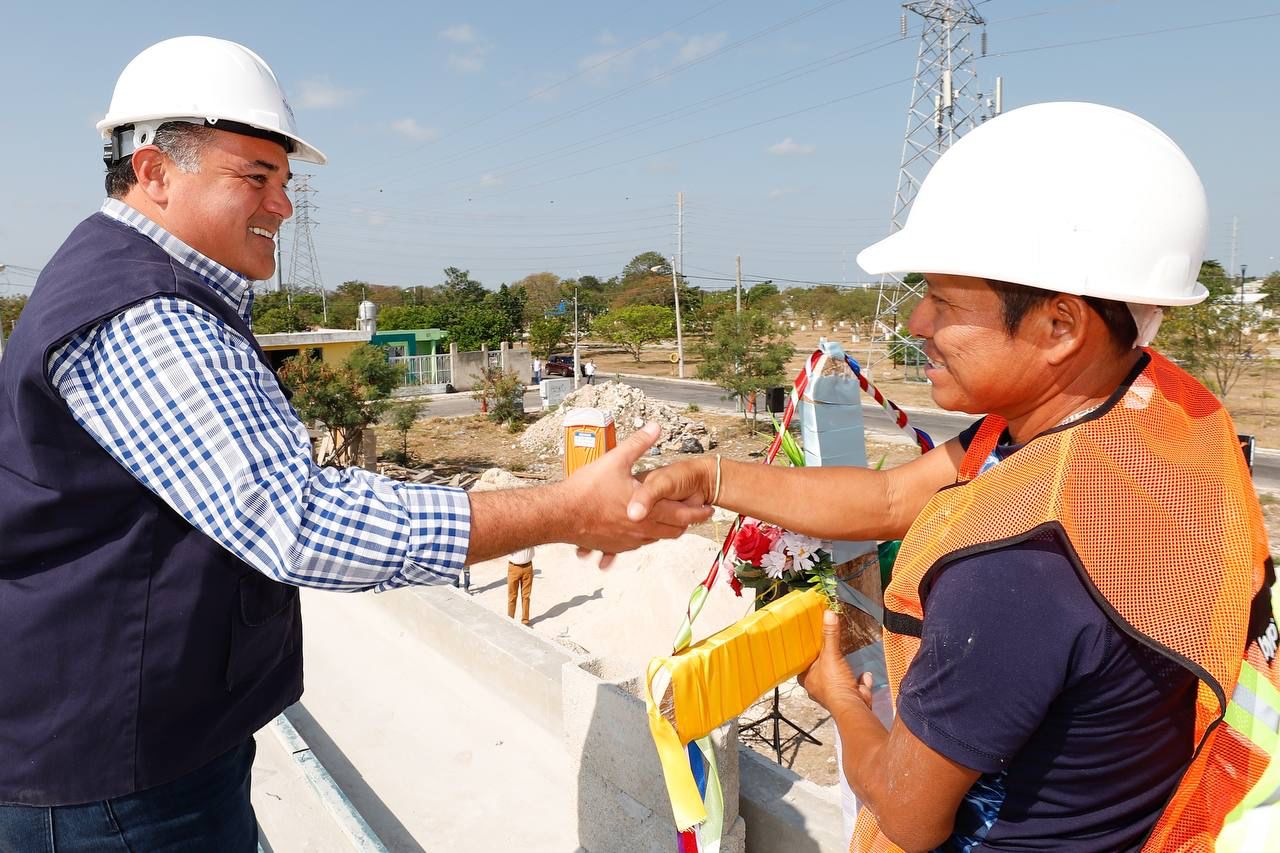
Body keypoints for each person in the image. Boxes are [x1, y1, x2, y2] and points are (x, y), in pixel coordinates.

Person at [0, 36, 708, 851]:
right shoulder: (145, 313)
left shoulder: (145, 281)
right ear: (156, 171)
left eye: (285, 181)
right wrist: (562, 510)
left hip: (139, 746)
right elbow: (297, 521)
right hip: (114, 785)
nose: (283, 206)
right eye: (256, 177)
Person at [631, 102, 1279, 851]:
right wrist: (712, 477)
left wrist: (842, 700)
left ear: (1060, 326)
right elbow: (889, 497)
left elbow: (909, 815)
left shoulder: (1018, 570)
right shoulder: (1143, 420)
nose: (916, 325)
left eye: (942, 299)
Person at [507, 546, 536, 625]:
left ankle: (525, 621)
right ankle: (510, 620)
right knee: (512, 596)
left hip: (528, 566)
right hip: (514, 567)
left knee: (526, 596)